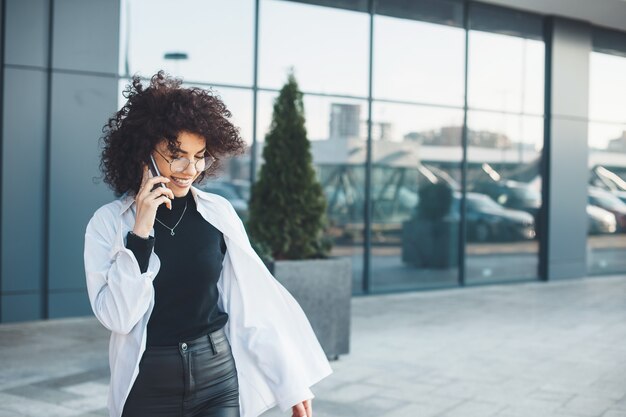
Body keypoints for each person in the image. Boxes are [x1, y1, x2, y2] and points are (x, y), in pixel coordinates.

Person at [84, 71, 333, 417]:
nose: (190, 169)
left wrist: (290, 382)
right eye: (176, 154)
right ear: (145, 152)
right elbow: (118, 318)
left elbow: (253, 305)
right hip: (148, 384)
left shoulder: (218, 213)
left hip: (217, 377)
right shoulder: (108, 223)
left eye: (199, 155)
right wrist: (140, 233)